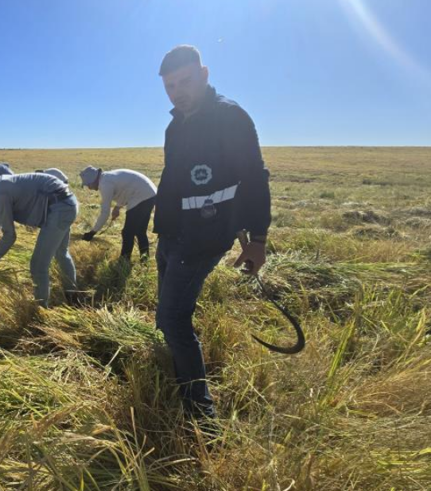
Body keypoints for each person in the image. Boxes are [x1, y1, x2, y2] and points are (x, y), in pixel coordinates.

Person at [153, 45, 271, 420]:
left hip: (202, 239)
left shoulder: (230, 117)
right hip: (171, 235)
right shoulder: (175, 126)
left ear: (204, 75)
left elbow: (254, 178)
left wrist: (258, 239)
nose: (177, 92)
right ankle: (173, 368)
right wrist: (161, 230)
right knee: (165, 313)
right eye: (170, 86)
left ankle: (201, 417)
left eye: (185, 81)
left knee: (174, 319)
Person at [0, 168, 79, 307]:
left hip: (59, 208)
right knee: (61, 253)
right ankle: (72, 296)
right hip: (67, 203)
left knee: (38, 266)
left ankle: (40, 309)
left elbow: (10, 236)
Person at [78, 166, 157, 260]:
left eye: (88, 185)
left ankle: (124, 260)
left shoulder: (105, 184)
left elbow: (105, 213)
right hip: (151, 194)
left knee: (127, 233)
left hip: (141, 196)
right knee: (140, 231)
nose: (89, 188)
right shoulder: (108, 177)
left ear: (93, 180)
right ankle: (145, 259)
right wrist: (117, 207)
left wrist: (92, 232)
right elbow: (125, 189)